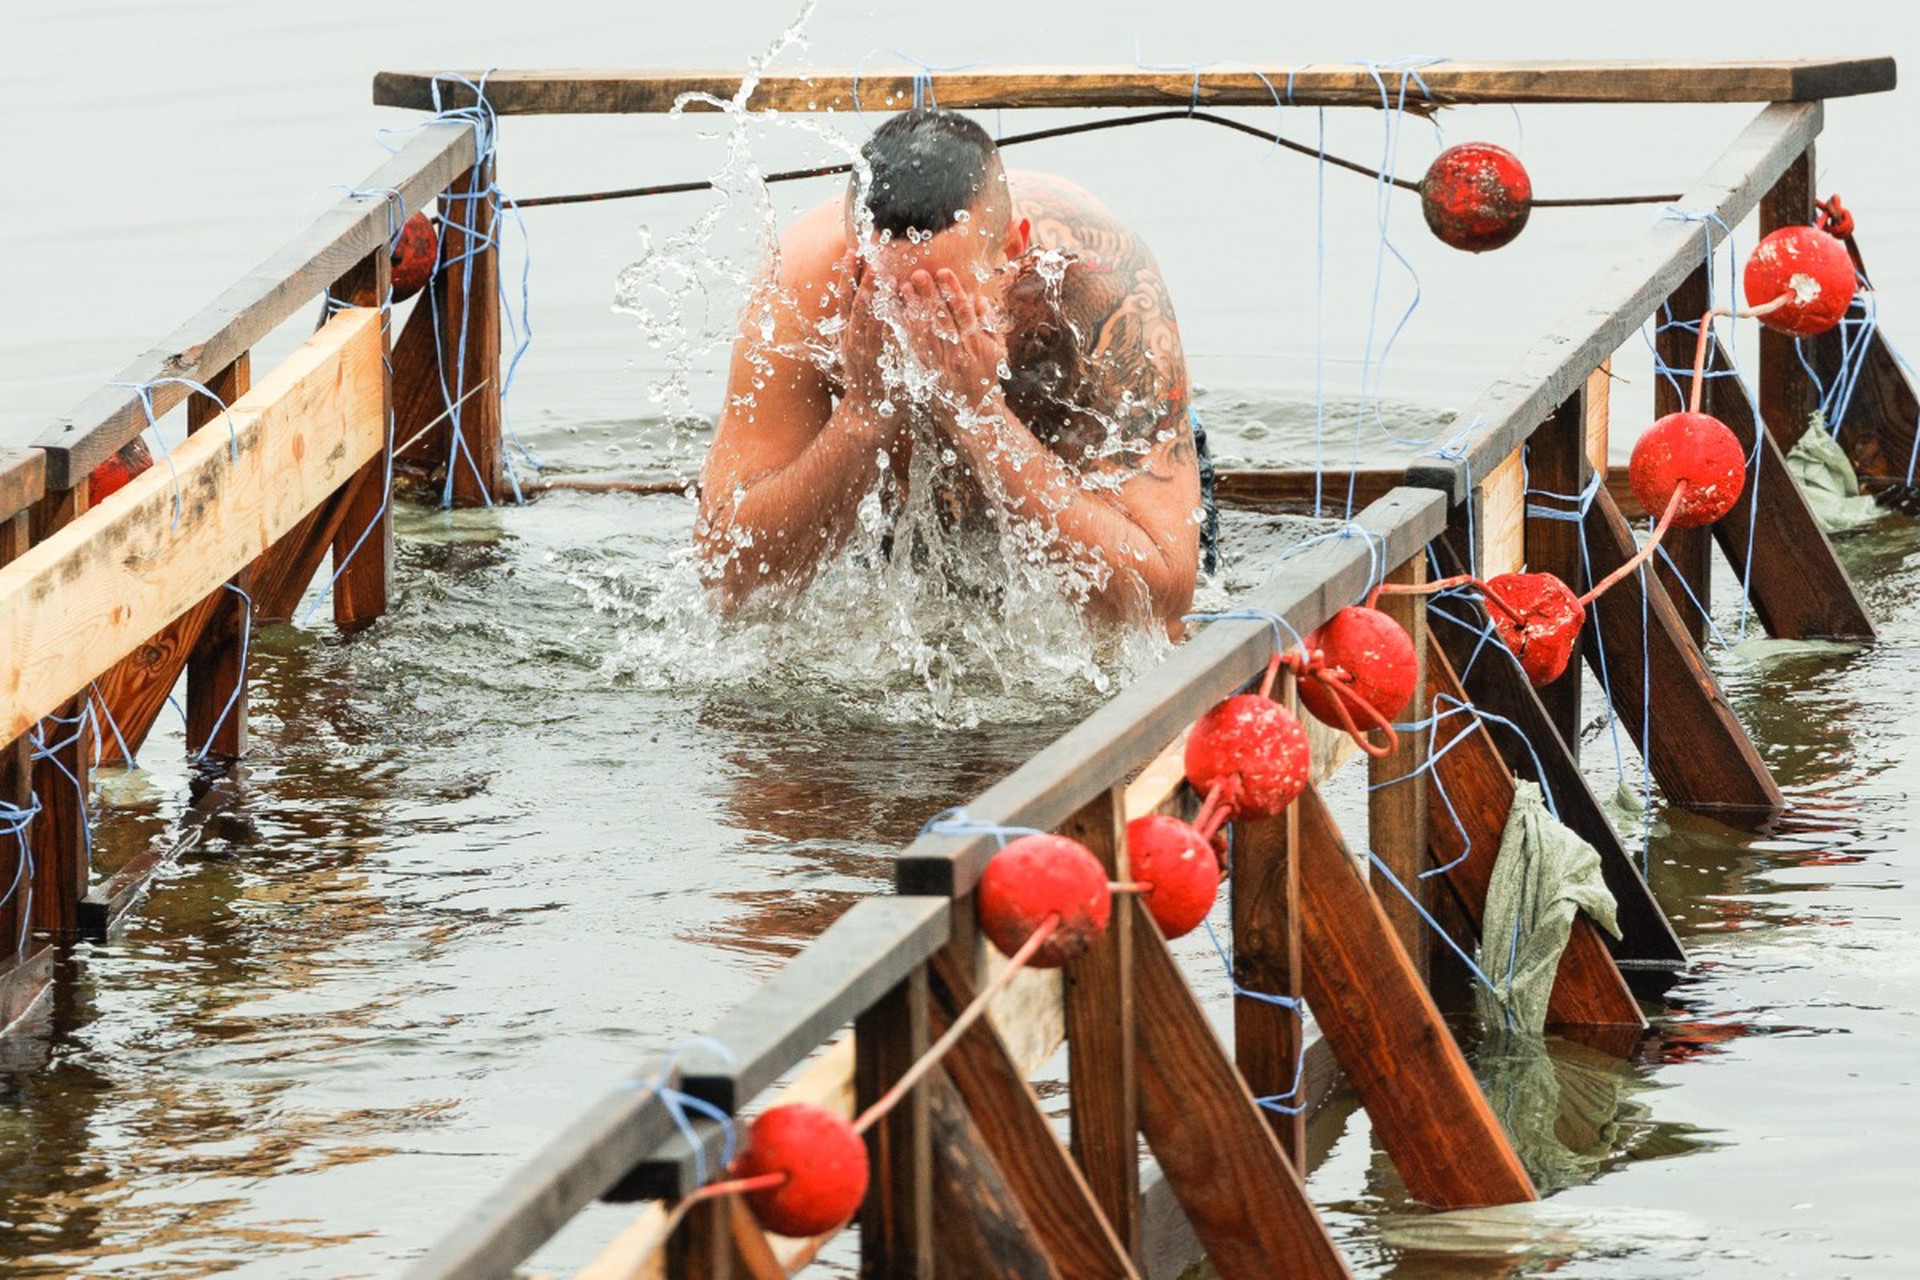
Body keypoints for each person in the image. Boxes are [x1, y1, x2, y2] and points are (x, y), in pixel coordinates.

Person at [695, 107, 1209, 627]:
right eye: (888, 296)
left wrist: (982, 416)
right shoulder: (802, 288)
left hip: (1084, 488)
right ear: (853, 257)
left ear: (1013, 249)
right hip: (894, 507)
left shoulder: (1098, 285)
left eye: (942, 295)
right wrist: (863, 414)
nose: (914, 325)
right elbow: (725, 579)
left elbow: (1164, 597)